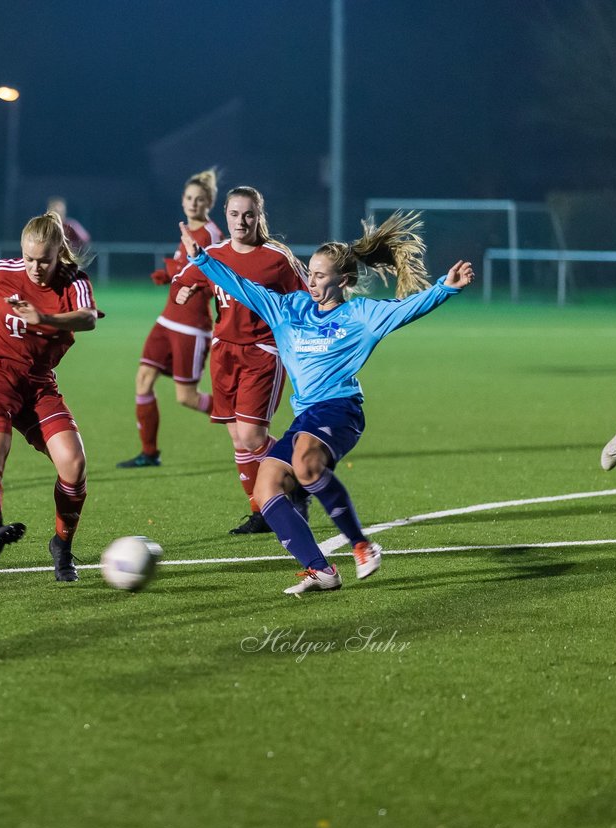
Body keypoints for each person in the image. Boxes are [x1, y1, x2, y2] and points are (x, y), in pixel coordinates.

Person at [177, 211, 476, 595]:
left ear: (344, 280)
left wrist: (445, 288)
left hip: (341, 409)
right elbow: (241, 286)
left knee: (304, 464)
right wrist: (202, 259)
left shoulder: (361, 315)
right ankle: (320, 570)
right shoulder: (289, 309)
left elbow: (405, 310)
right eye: (311, 273)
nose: (311, 281)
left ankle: (362, 545)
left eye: (320, 275)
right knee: (266, 487)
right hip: (306, 415)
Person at [0, 210, 99, 582]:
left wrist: (46, 319)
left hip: (39, 383)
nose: (36, 268)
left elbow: (87, 318)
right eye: (29, 259)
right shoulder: (7, 272)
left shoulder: (73, 283)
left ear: (60, 254)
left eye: (44, 260)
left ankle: (62, 545)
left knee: (73, 463)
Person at [171, 186, 309, 533]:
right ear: (226, 216)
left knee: (251, 436)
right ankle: (262, 511)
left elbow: (306, 299)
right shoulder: (214, 254)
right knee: (238, 440)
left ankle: (302, 479)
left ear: (259, 216)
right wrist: (185, 290)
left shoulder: (276, 259)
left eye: (248, 214)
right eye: (234, 214)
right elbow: (182, 281)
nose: (241, 221)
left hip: (262, 353)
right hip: (224, 354)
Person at [116, 168, 224, 469]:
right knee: (143, 379)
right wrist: (170, 275)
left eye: (200, 199)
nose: (193, 203)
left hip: (191, 327)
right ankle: (149, 453)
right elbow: (187, 269)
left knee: (187, 398)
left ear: (209, 202)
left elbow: (217, 277)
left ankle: (241, 417)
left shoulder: (212, 235)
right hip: (167, 320)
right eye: (189, 198)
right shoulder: (187, 232)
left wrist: (187, 280)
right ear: (182, 200)